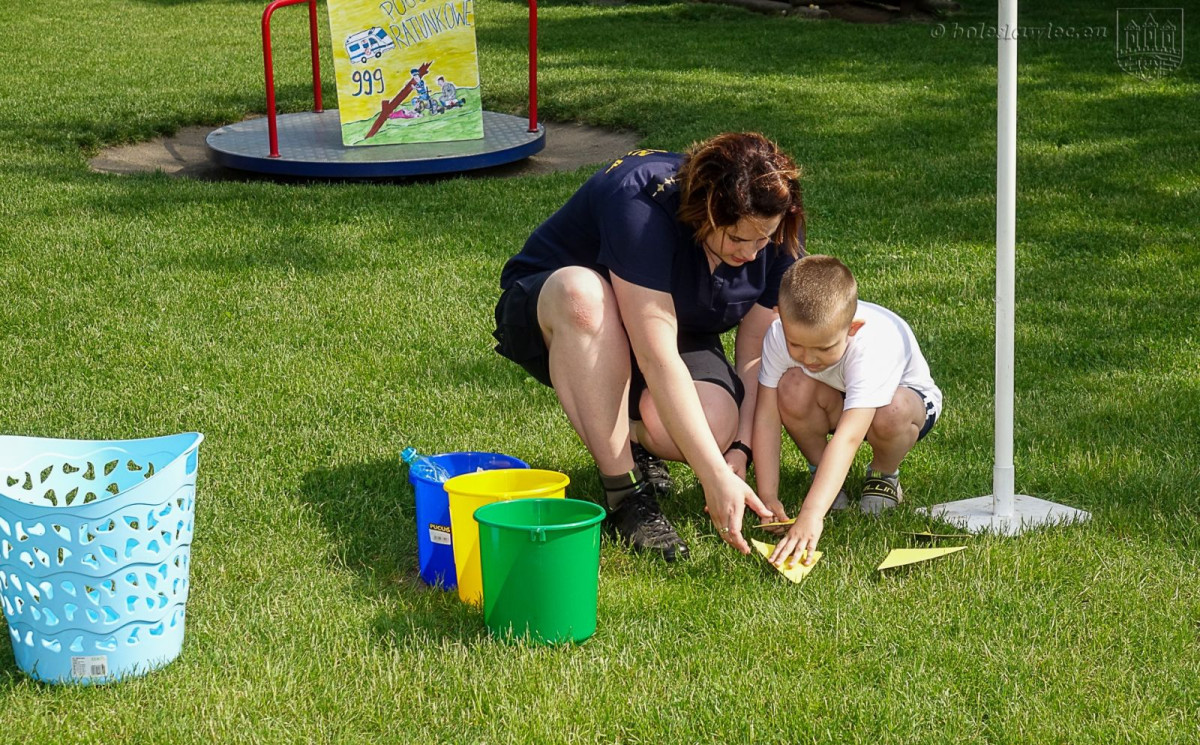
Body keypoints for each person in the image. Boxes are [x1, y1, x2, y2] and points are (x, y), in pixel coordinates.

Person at [492, 133, 806, 560]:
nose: (752, 254)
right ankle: (626, 494)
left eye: (762, 239)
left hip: (673, 329)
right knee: (581, 293)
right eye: (737, 239)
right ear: (705, 213)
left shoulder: (777, 222)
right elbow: (657, 358)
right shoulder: (639, 201)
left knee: (711, 427)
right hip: (565, 312)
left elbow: (754, 355)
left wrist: (739, 450)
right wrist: (713, 476)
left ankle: (631, 439)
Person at [751, 255, 942, 567]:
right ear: (780, 320)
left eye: (824, 348)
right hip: (835, 398)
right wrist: (768, 495)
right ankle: (825, 478)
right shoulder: (778, 336)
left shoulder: (874, 346)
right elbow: (767, 416)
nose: (809, 358)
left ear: (853, 328)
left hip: (902, 406)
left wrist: (811, 515)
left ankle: (884, 474)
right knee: (790, 388)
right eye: (796, 345)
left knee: (889, 412)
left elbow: (850, 437)